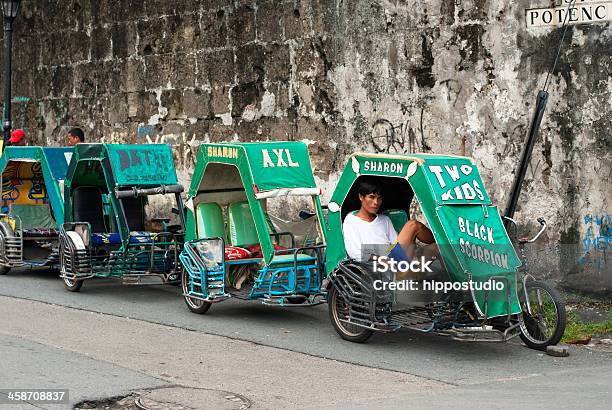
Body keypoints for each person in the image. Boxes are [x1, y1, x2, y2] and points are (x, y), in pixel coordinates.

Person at [342, 176, 436, 263]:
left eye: (379, 198)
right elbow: (354, 253)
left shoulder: (385, 220)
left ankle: (441, 240)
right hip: (375, 267)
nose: (376, 202)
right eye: (371, 197)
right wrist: (382, 259)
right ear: (361, 197)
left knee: (438, 247)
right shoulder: (351, 220)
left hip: (395, 259)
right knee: (413, 225)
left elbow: (394, 244)